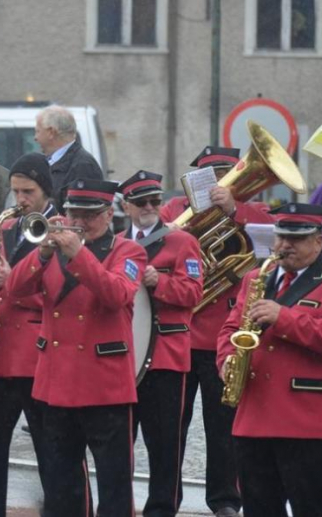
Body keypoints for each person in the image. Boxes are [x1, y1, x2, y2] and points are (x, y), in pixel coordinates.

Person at [5, 179, 146, 516]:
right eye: (73, 213)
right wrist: (40, 253)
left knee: (114, 485)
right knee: (60, 483)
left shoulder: (127, 251)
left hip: (104, 385)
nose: (79, 222)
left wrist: (78, 254)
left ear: (109, 214)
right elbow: (14, 289)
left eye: (89, 215)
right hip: (57, 383)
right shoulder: (53, 251)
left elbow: (117, 294)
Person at [216, 203, 322, 517]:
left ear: (317, 241)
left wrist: (283, 318)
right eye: (281, 237)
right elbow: (230, 328)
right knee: (259, 508)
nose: (285, 245)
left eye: (296, 239)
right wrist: (227, 359)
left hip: (306, 417)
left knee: (310, 508)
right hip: (254, 414)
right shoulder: (257, 277)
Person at [161, 146, 273, 517]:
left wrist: (233, 210)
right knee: (170, 426)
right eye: (211, 175)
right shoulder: (173, 211)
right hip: (179, 334)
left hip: (222, 335)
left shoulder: (254, 213)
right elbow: (160, 253)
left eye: (227, 173)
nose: (218, 182)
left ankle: (225, 499)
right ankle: (165, 499)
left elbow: (270, 245)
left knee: (224, 426)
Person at [0, 152, 60, 516]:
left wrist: (11, 283)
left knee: (50, 449)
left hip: (35, 356)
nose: (20, 200)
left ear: (46, 191)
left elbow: (63, 297)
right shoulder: (8, 227)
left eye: (28, 192)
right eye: (15, 192)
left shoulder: (61, 229)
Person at [118, 170, 204, 517]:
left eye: (155, 200)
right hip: (124, 357)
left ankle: (162, 510)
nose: (151, 207)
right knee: (120, 445)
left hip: (166, 356)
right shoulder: (118, 243)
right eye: (142, 202)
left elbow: (194, 292)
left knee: (165, 445)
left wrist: (160, 282)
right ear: (127, 206)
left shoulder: (182, 242)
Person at [34, 105, 103, 211]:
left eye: (37, 131)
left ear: (51, 132)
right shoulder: (50, 162)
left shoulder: (83, 166)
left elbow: (83, 214)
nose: (35, 138)